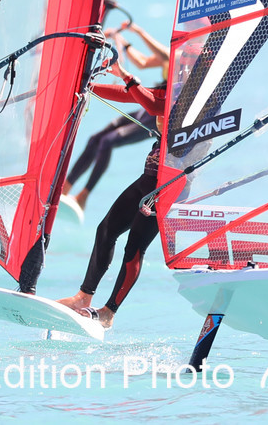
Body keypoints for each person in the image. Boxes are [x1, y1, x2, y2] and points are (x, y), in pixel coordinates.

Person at [56, 63, 166, 328]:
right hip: (148, 179)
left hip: (167, 185)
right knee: (106, 229)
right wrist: (89, 87)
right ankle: (84, 296)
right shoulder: (172, 90)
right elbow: (131, 95)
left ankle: (108, 312)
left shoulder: (194, 99)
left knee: (134, 247)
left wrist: (126, 75)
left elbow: (153, 107)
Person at [60, 21, 168, 210]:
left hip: (155, 117)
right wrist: (121, 39)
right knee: (96, 138)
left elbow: (164, 54)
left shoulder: (181, 59)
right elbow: (141, 63)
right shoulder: (174, 60)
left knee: (107, 142)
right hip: (147, 104)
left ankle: (83, 196)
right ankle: (65, 188)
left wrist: (139, 30)